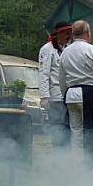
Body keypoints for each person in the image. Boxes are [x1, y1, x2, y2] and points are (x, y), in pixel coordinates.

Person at [58, 20, 93, 162]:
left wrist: (65, 96)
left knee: (75, 133)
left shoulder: (65, 52)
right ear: (88, 33)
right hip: (90, 92)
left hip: (70, 93)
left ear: (74, 34)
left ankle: (76, 166)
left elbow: (61, 79)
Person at [38, 21, 72, 149]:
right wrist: (44, 96)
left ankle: (67, 154)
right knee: (57, 128)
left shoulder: (68, 48)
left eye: (70, 34)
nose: (68, 36)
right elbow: (43, 73)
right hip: (55, 96)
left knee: (68, 128)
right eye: (66, 34)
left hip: (68, 95)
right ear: (58, 34)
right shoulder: (47, 49)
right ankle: (58, 154)